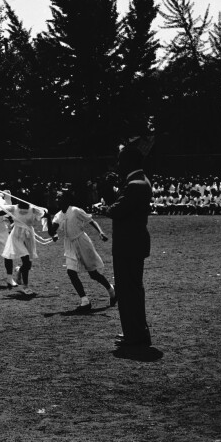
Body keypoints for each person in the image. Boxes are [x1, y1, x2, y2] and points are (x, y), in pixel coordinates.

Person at [107, 145, 153, 348]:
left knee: (128, 291)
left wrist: (107, 203)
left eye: (121, 160)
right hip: (134, 243)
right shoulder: (141, 181)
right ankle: (136, 332)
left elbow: (117, 210)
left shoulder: (134, 184)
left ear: (129, 162)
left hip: (128, 245)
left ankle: (135, 335)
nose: (118, 164)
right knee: (132, 289)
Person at [49, 190, 116, 311]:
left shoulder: (75, 211)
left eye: (60, 198)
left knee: (93, 274)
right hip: (69, 245)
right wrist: (47, 218)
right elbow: (51, 230)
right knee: (71, 272)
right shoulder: (58, 215)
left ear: (67, 200)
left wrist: (100, 232)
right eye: (57, 198)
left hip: (82, 242)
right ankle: (85, 301)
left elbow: (91, 220)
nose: (57, 200)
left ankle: (112, 290)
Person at [1, 197, 49, 296]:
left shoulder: (33, 209)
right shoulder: (14, 208)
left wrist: (52, 231)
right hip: (17, 236)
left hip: (28, 236)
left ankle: (20, 270)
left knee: (27, 264)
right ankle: (25, 287)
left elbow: (46, 214)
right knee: (26, 260)